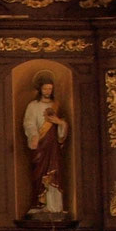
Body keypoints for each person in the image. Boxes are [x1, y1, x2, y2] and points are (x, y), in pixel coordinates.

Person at [23, 73, 70, 215]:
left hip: (53, 145)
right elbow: (28, 122)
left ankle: (55, 206)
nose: (48, 92)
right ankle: (40, 203)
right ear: (40, 89)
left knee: (55, 172)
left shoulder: (56, 105)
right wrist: (34, 135)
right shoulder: (33, 106)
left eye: (50, 89)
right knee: (40, 173)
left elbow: (62, 128)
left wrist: (60, 123)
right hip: (40, 145)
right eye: (45, 89)